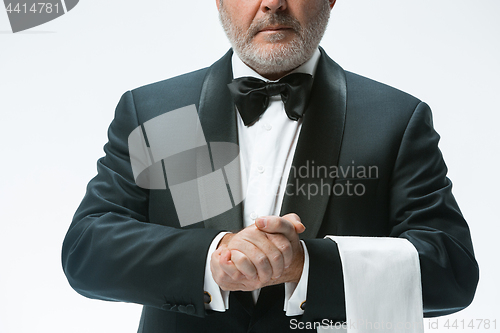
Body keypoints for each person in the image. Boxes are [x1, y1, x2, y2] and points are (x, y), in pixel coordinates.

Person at [61, 0, 479, 332]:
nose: (273, 3)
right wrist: (212, 259)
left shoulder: (396, 120)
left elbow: (451, 270)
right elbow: (88, 249)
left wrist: (306, 265)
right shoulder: (156, 112)